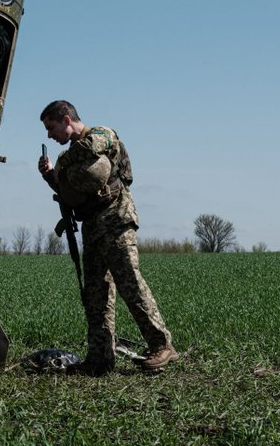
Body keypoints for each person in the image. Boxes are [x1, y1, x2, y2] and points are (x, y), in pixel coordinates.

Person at [37, 99, 177, 374]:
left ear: (66, 119)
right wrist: (51, 175)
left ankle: (162, 346)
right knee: (96, 294)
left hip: (116, 219)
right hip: (92, 225)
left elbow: (90, 148)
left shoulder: (102, 134)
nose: (49, 136)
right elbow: (68, 190)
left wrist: (63, 163)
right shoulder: (71, 155)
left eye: (51, 127)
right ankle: (100, 358)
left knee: (130, 284)